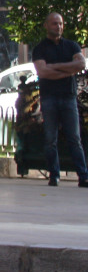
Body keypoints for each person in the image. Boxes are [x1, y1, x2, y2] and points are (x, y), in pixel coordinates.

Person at [32, 12, 88, 187]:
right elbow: (43, 72)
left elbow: (81, 65)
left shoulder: (71, 46)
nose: (59, 27)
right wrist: (68, 70)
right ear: (47, 25)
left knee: (74, 138)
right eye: (55, 23)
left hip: (68, 97)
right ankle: (54, 175)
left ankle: (83, 175)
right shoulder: (40, 49)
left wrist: (55, 67)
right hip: (49, 98)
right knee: (50, 139)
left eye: (61, 24)